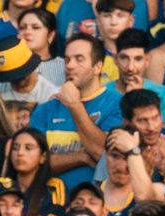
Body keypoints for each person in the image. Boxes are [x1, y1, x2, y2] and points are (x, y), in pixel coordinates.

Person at [29, 34, 122, 188]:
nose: (70, 66)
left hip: (95, 200)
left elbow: (102, 153)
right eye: (67, 59)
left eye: (79, 59)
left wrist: (75, 105)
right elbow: (31, 162)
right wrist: (81, 156)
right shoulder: (46, 109)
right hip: (49, 202)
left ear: (98, 67)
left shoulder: (117, 104)